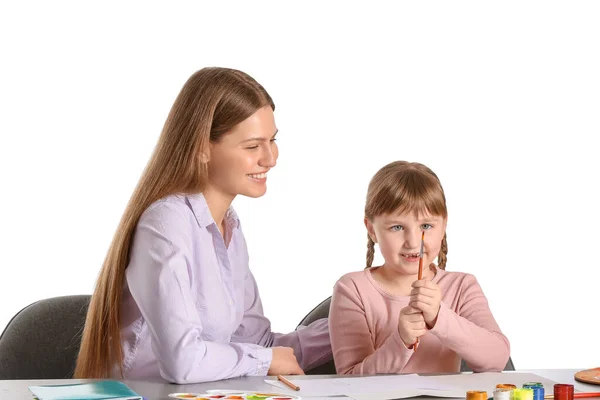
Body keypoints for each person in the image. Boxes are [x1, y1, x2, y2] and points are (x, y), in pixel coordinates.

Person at [74, 67, 331, 384]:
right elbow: (184, 363)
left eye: (272, 141)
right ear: (202, 148)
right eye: (252, 146)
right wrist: (265, 359)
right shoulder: (167, 224)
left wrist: (360, 325)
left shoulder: (230, 230)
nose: (270, 158)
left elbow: (259, 346)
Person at [329, 161, 509, 375]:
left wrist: (440, 318)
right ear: (372, 230)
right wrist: (401, 341)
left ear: (443, 226)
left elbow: (496, 359)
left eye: (426, 226)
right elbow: (349, 378)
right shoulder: (352, 289)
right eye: (397, 227)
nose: (413, 242)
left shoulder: (462, 286)